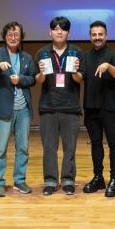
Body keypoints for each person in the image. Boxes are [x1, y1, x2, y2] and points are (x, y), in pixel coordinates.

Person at [0, 22, 36, 197]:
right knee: (0, 149)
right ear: (4, 36)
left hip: (23, 109)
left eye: (16, 35)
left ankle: (19, 180)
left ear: (21, 37)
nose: (13, 37)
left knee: (23, 147)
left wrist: (20, 79)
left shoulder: (27, 57)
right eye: (9, 34)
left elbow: (32, 79)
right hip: (3, 108)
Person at [34, 17, 84, 196]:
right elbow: (38, 81)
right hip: (48, 106)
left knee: (69, 147)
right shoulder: (42, 52)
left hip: (71, 106)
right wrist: (40, 72)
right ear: (50, 32)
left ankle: (68, 180)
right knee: (49, 147)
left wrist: (76, 71)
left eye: (63, 29)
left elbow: (80, 79)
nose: (59, 32)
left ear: (68, 33)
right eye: (55, 29)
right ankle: (50, 181)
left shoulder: (76, 52)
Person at [80, 20, 115, 197]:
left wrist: (108, 66)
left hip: (109, 107)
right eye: (94, 35)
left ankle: (114, 180)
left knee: (114, 144)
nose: (97, 37)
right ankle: (98, 177)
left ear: (106, 35)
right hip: (90, 107)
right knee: (96, 144)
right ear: (90, 37)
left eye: (100, 34)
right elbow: (79, 77)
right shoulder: (85, 56)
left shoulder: (113, 55)